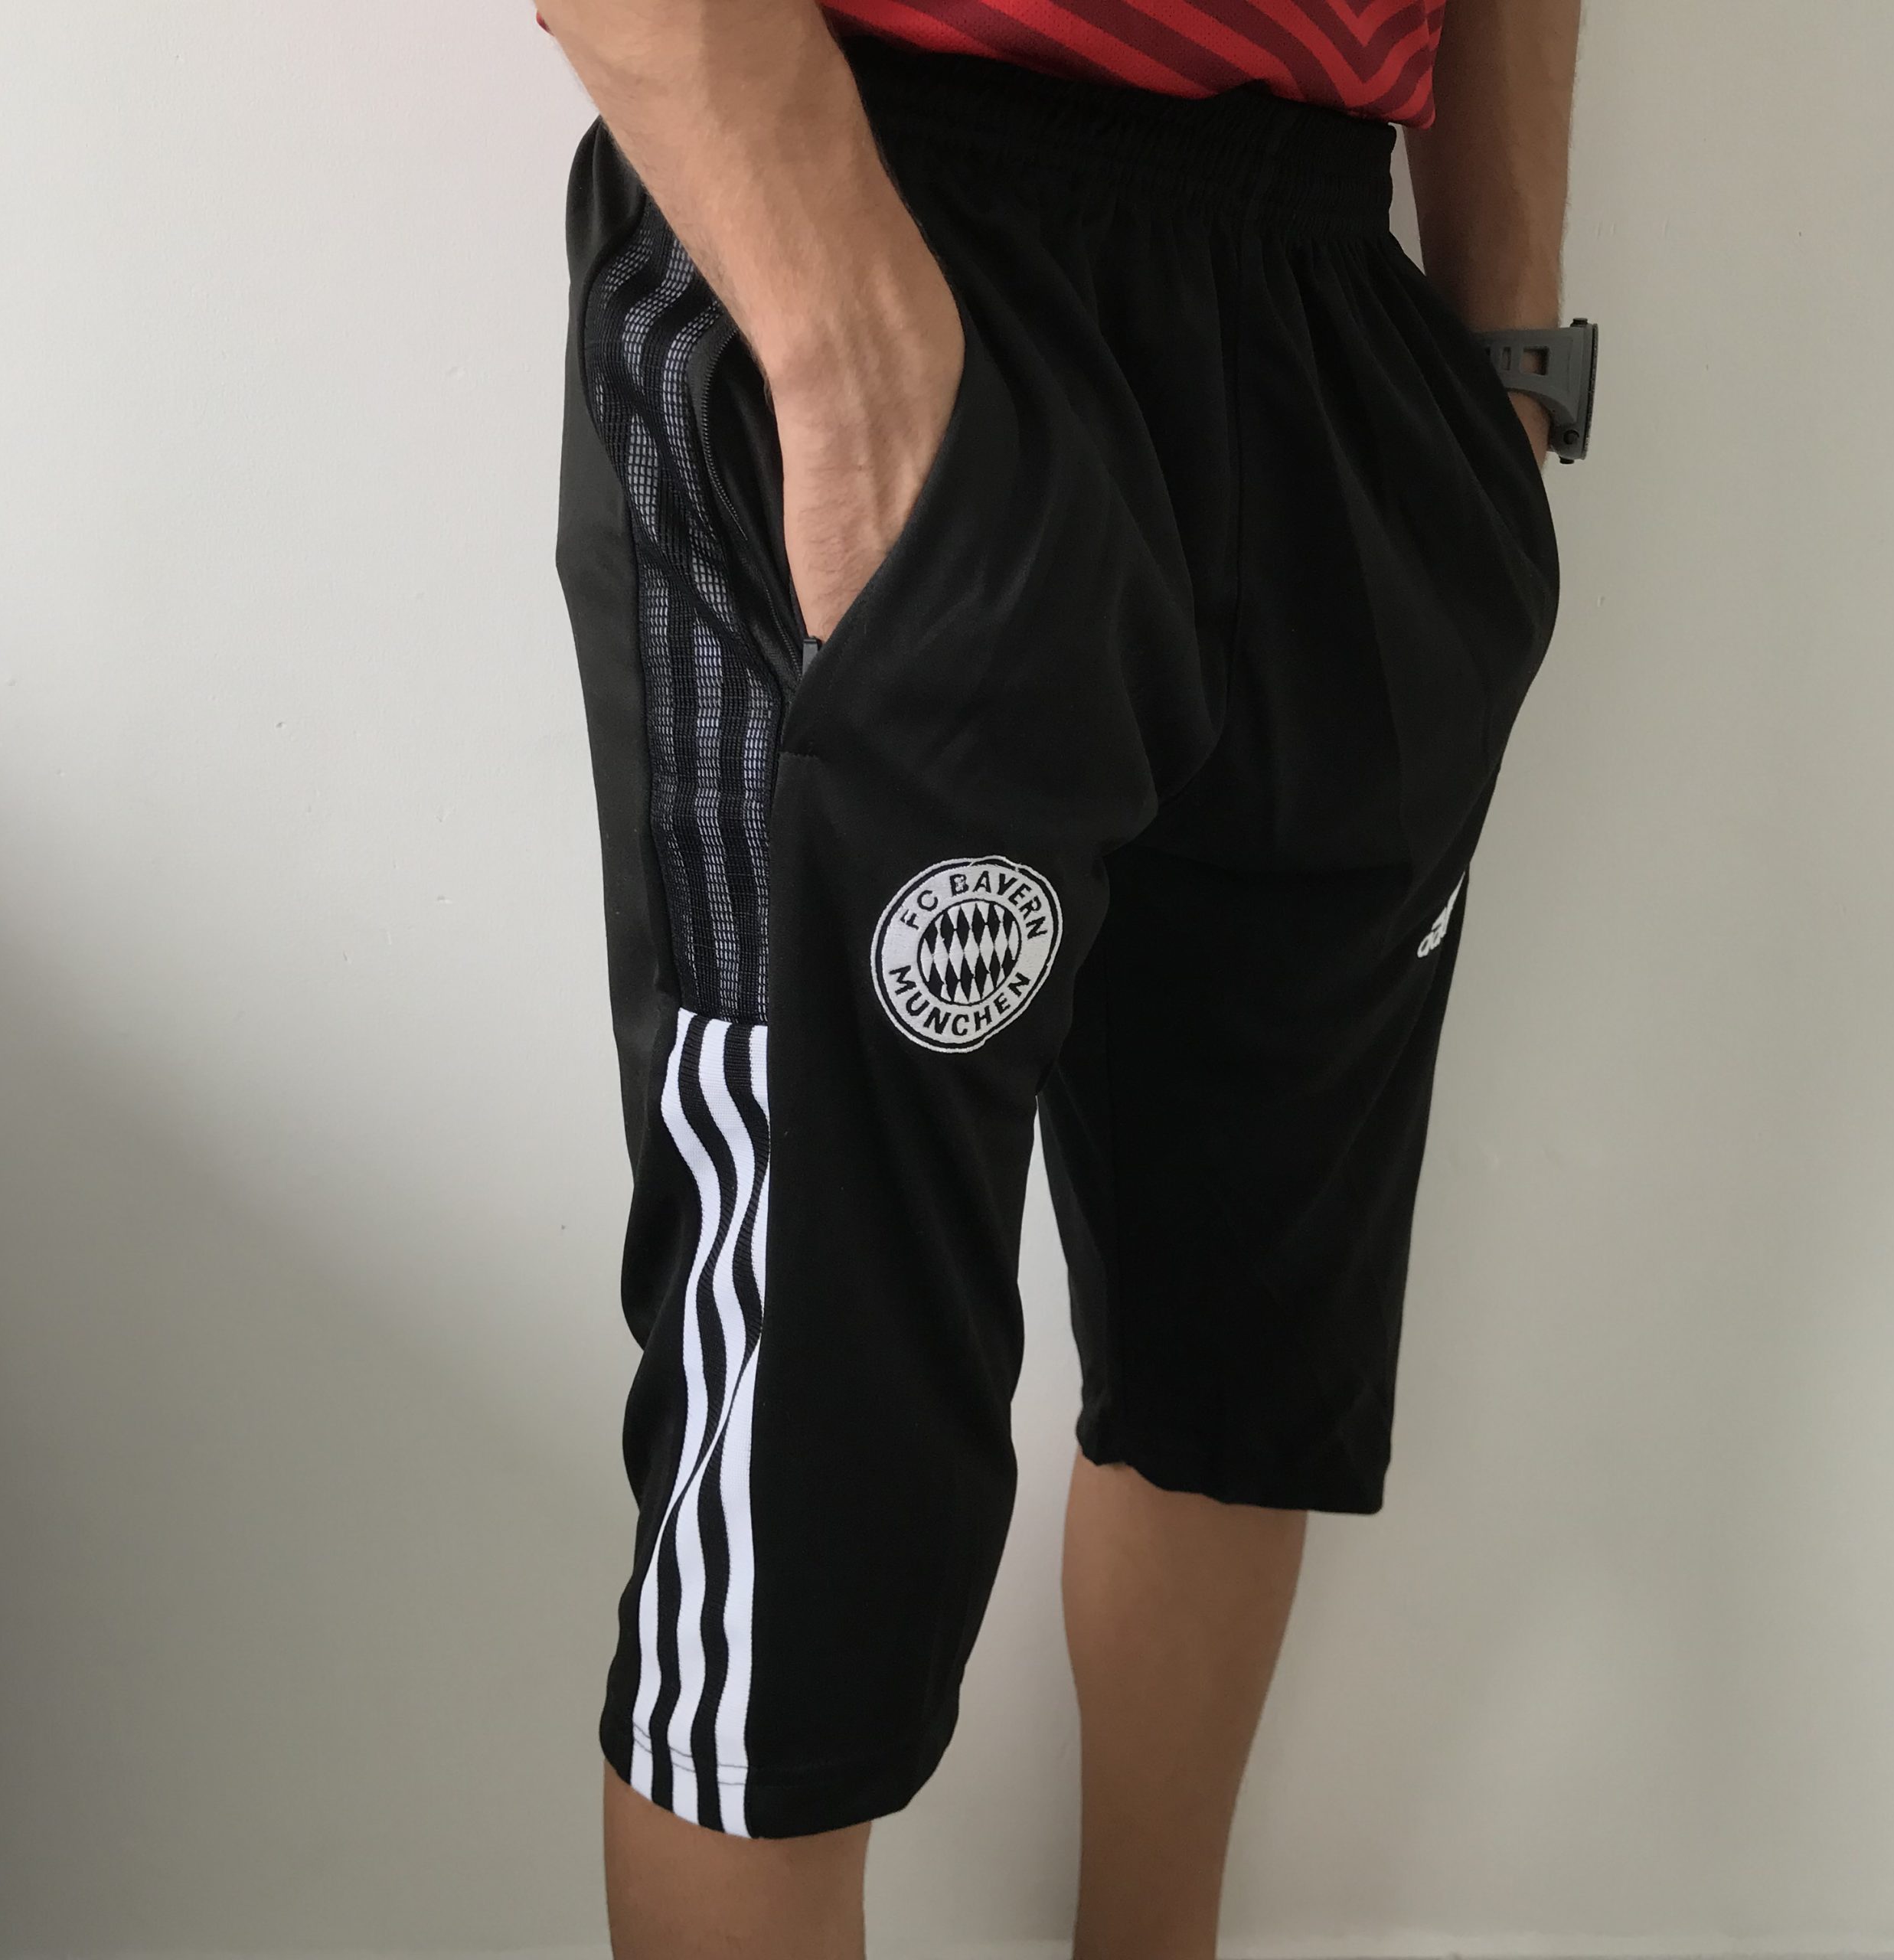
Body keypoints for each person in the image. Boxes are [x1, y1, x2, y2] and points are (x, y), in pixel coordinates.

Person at [540, 0, 1579, 1948]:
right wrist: (842, 346)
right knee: (806, 1445)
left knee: (1244, 1345)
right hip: (872, 207)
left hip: (1329, 311)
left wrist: (1499, 374)